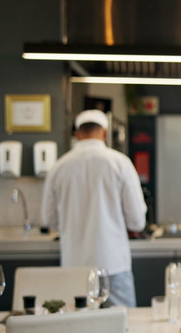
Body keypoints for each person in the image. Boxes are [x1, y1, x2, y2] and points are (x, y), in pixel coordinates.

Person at [41, 109, 147, 308]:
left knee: (76, 331)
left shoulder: (59, 167)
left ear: (77, 134)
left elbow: (49, 220)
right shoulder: (120, 163)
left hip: (74, 266)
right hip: (114, 265)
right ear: (105, 133)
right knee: (122, 329)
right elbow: (137, 221)